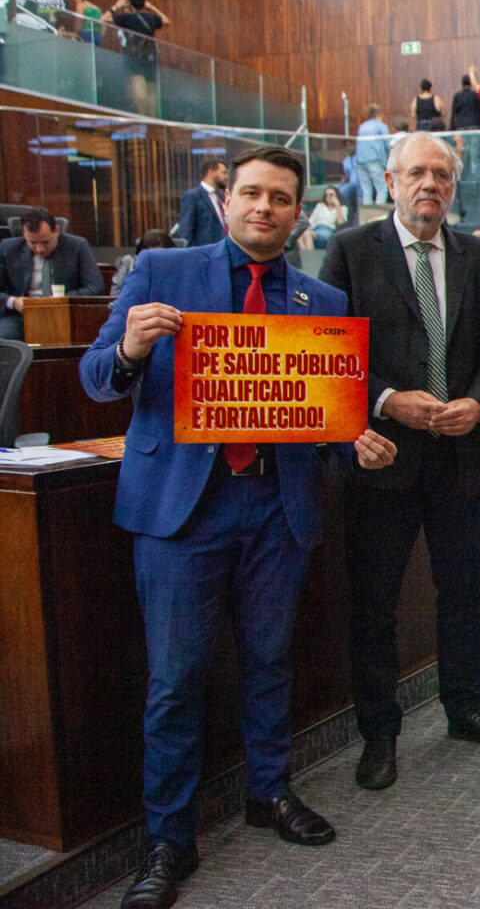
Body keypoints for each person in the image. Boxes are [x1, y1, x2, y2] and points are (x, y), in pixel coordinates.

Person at [79, 146, 397, 909]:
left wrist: (350, 432)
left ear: (298, 212)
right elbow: (97, 380)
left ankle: (268, 792)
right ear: (226, 203)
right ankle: (168, 838)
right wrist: (129, 347)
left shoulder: (319, 302)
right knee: (176, 679)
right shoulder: (161, 273)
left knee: (269, 662)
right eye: (251, 194)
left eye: (281, 198)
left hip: (276, 503)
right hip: (183, 507)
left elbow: (317, 411)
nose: (264, 208)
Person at [319, 132, 480, 791]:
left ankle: (464, 709)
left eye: (441, 174)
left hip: (460, 457)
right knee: (375, 603)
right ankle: (380, 732)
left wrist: (477, 401)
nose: (428, 184)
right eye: (416, 173)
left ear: (453, 186)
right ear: (389, 180)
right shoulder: (351, 252)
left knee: (463, 594)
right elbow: (329, 348)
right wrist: (381, 400)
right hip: (383, 459)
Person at [0, 207, 105, 339]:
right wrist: (13, 302)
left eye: (45, 242)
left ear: (56, 230)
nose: (39, 249)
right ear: (24, 234)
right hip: (21, 316)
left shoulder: (77, 246)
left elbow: (95, 287)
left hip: (64, 315)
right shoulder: (8, 248)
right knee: (4, 341)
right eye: (32, 242)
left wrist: (63, 299)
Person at [111, 229, 177, 297]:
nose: (156, 260)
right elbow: (115, 296)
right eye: (151, 256)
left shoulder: (177, 268)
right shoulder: (130, 263)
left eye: (161, 255)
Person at [178, 157, 228, 247]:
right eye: (223, 173)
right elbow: (186, 231)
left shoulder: (222, 197)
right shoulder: (193, 196)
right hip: (204, 253)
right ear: (211, 172)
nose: (226, 177)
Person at [356, 105, 391, 206]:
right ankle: (379, 216)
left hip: (360, 161)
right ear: (379, 114)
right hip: (375, 160)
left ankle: (367, 216)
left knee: (366, 189)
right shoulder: (381, 126)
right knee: (381, 188)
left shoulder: (361, 127)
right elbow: (387, 143)